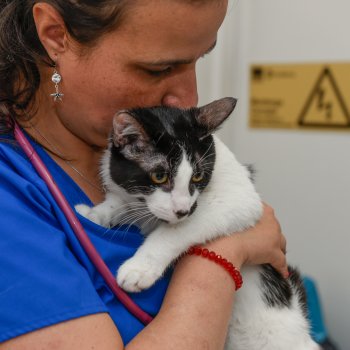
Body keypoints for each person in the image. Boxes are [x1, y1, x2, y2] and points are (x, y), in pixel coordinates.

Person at [0, 1, 288, 349]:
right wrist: (225, 252)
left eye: (202, 58)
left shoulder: (162, 149)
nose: (189, 98)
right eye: (159, 68)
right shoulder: (10, 190)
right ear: (56, 35)